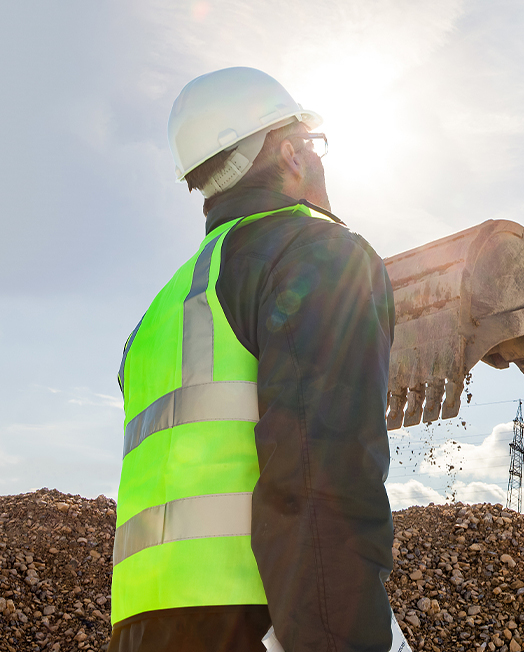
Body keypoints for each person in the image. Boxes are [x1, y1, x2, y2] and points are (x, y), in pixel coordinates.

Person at [110, 68, 399, 652]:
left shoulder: (160, 313)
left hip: (141, 626)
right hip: (257, 620)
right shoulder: (312, 253)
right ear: (291, 153)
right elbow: (321, 476)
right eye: (312, 145)